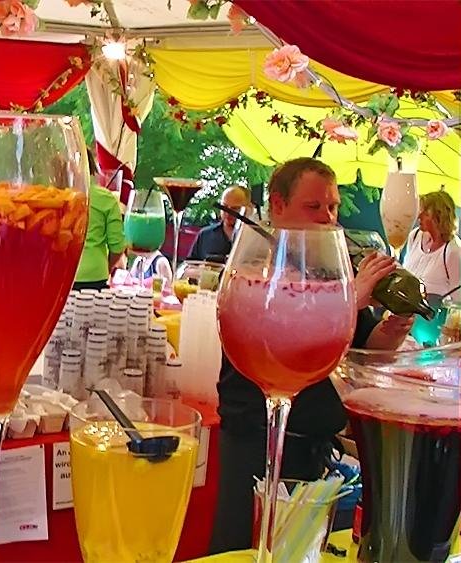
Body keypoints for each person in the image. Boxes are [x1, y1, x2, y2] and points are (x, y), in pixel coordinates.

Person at [210, 157, 414, 553]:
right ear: (277, 205)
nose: (327, 217)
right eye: (314, 206)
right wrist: (351, 297)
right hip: (257, 444)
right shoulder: (257, 263)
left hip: (314, 449)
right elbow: (283, 330)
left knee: (298, 551)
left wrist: (392, 328)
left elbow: (360, 348)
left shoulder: (328, 268)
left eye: (332, 207)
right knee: (243, 545)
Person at [74, 151, 127, 290]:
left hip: (61, 277)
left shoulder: (55, 198)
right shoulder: (106, 198)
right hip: (96, 276)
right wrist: (107, 267)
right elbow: (118, 246)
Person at [403, 191, 461, 297]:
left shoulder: (453, 251)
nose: (419, 216)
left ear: (439, 217)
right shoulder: (414, 236)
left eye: (426, 213)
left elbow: (458, 298)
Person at [187, 185, 253, 263]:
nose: (228, 213)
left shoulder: (257, 239)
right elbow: (190, 266)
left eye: (235, 208)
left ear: (249, 208)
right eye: (224, 207)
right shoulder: (205, 235)